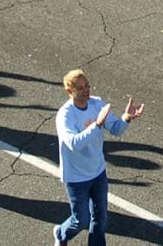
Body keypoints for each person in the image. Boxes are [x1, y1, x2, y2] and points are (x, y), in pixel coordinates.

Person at [54, 69, 143, 246]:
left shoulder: (96, 104)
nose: (86, 90)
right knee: (81, 221)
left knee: (100, 218)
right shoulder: (65, 115)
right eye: (80, 88)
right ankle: (61, 233)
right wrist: (97, 125)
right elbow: (73, 144)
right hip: (76, 177)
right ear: (69, 91)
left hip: (98, 172)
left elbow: (116, 129)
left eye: (87, 85)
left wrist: (126, 118)